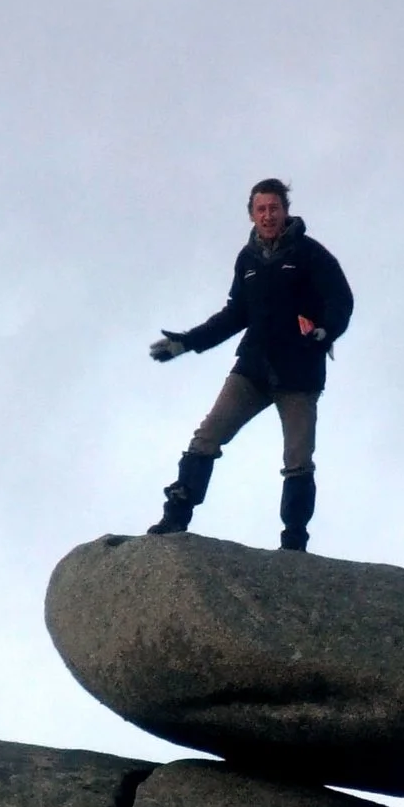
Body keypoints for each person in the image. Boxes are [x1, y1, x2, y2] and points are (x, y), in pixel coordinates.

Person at [147, 178, 353, 551]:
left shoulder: (310, 254)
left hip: (299, 372)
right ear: (252, 214)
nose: (268, 215)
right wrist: (186, 343)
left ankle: (294, 543)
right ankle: (176, 515)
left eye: (274, 208)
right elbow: (233, 315)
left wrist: (324, 331)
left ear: (285, 210)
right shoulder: (248, 260)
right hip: (254, 368)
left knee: (298, 457)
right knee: (207, 435)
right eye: (261, 209)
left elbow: (341, 300)